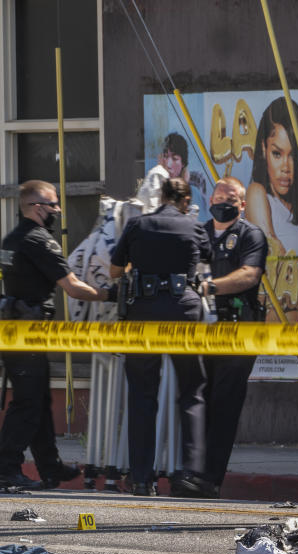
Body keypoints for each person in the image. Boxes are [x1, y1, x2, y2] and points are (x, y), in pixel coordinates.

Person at [0, 180, 110, 490]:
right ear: (37, 207)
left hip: (14, 329)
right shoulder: (39, 240)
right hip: (28, 331)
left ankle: (50, 467)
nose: (58, 210)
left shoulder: (11, 238)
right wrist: (109, 295)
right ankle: (6, 469)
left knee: (39, 400)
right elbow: (72, 287)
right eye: (53, 205)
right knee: (28, 403)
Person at [110, 177, 212, 498]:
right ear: (185, 201)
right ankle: (191, 474)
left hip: (143, 312)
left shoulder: (138, 225)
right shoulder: (194, 226)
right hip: (184, 311)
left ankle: (141, 478)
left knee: (142, 394)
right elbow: (207, 259)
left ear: (161, 197)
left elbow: (114, 271)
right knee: (192, 391)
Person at [199, 176, 267, 495]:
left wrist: (211, 286)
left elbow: (249, 275)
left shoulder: (250, 235)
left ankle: (210, 478)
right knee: (197, 400)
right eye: (218, 197)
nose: (222, 202)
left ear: (241, 205)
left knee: (224, 404)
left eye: (230, 199)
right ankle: (189, 471)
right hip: (199, 330)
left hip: (238, 329)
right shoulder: (198, 233)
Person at [245, 97, 298, 322]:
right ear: (263, 149)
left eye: (293, 156)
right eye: (277, 154)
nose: (286, 168)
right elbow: (274, 265)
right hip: (276, 341)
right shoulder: (257, 194)